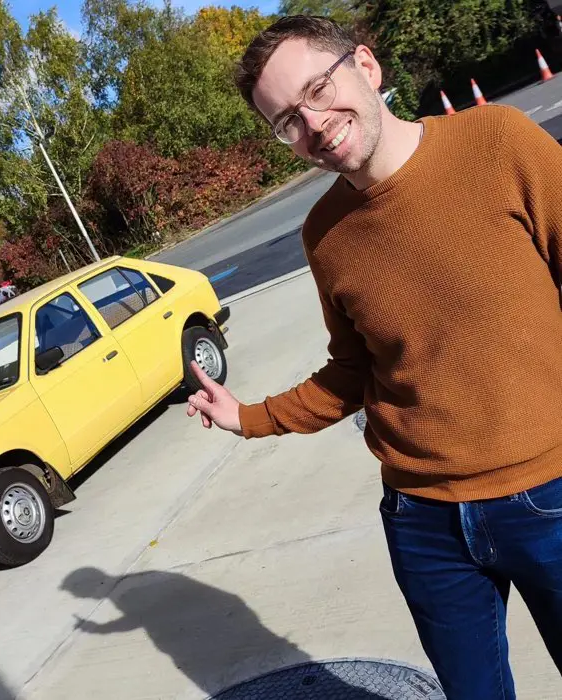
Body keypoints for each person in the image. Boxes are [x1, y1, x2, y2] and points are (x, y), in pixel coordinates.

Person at [185, 15, 562, 700]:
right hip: (424, 524)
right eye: (287, 121)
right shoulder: (324, 233)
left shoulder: (498, 142)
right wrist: (248, 417)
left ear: (365, 65)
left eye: (318, 89)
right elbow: (353, 370)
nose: (314, 124)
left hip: (549, 494)